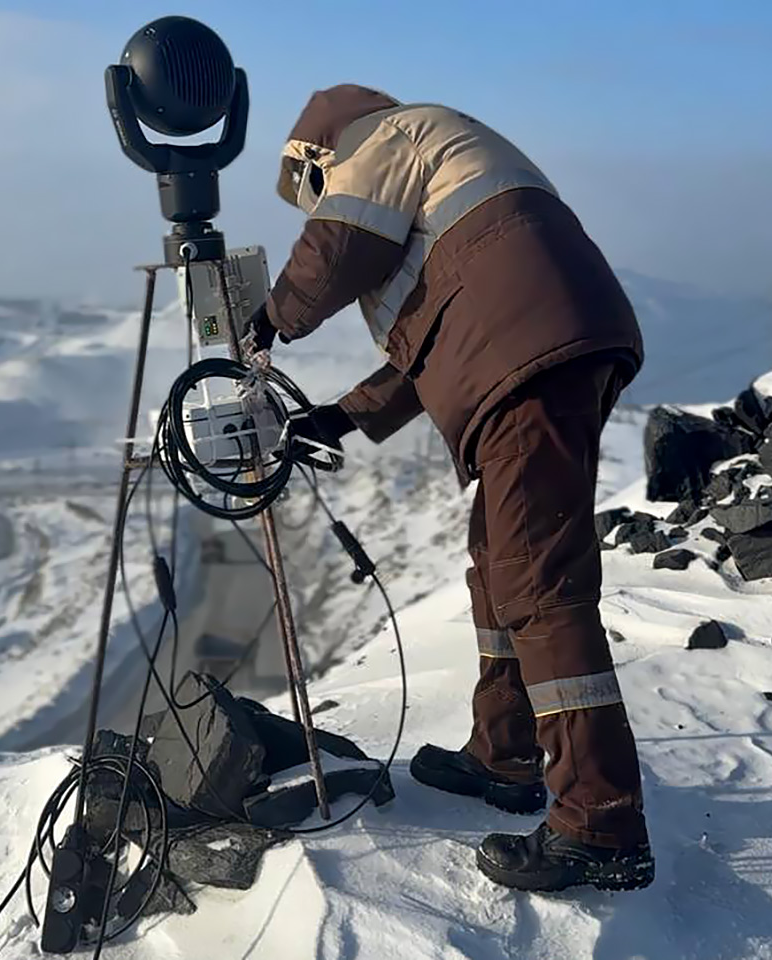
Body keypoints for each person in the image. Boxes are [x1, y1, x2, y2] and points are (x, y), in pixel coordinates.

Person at [245, 84, 653, 893]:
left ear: (316, 153)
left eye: (312, 190)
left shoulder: (384, 138)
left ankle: (600, 824)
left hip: (526, 354)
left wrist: (264, 324)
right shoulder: (445, 175)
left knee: (537, 580)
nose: (318, 204)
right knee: (500, 559)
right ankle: (505, 757)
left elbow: (333, 250)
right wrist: (342, 417)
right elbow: (427, 344)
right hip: (540, 344)